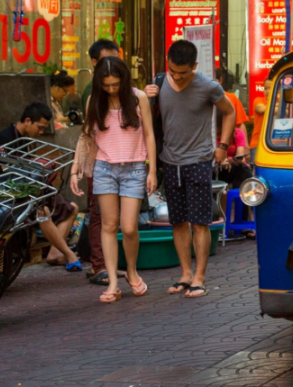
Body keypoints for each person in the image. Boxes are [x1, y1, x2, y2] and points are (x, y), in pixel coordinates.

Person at [145, 40, 235, 299]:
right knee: (178, 222)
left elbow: (229, 113)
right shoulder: (160, 83)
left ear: (194, 66)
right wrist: (146, 96)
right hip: (170, 162)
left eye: (183, 73)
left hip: (198, 161)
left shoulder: (208, 86)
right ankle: (185, 274)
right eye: (172, 71)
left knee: (199, 222)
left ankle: (199, 277)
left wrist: (223, 146)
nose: (177, 76)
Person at [70, 57, 156, 303]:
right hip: (104, 168)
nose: (111, 89)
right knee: (108, 226)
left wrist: (151, 170)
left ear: (124, 79)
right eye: (106, 85)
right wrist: (76, 169)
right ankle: (113, 283)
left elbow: (149, 135)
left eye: (115, 84)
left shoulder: (138, 97)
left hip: (135, 168)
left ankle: (131, 271)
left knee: (129, 227)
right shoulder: (93, 100)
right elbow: (86, 137)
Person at [0, 103, 82, 272]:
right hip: (13, 195)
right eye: (39, 128)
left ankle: (55, 253)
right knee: (42, 212)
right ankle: (69, 254)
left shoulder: (27, 140)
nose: (40, 132)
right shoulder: (5, 138)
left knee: (72, 208)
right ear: (28, 121)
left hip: (31, 190)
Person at [82, 38, 122, 286]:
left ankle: (105, 263)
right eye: (108, 60)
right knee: (99, 214)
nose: (113, 66)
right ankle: (99, 266)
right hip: (99, 161)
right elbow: (87, 135)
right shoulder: (93, 91)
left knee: (111, 217)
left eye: (116, 60)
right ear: (95, 62)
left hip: (120, 161)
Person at [215, 67, 250, 139]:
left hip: (230, 146)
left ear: (220, 80)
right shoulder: (198, 100)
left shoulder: (232, 98)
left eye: (213, 81)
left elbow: (240, 125)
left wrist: (245, 148)